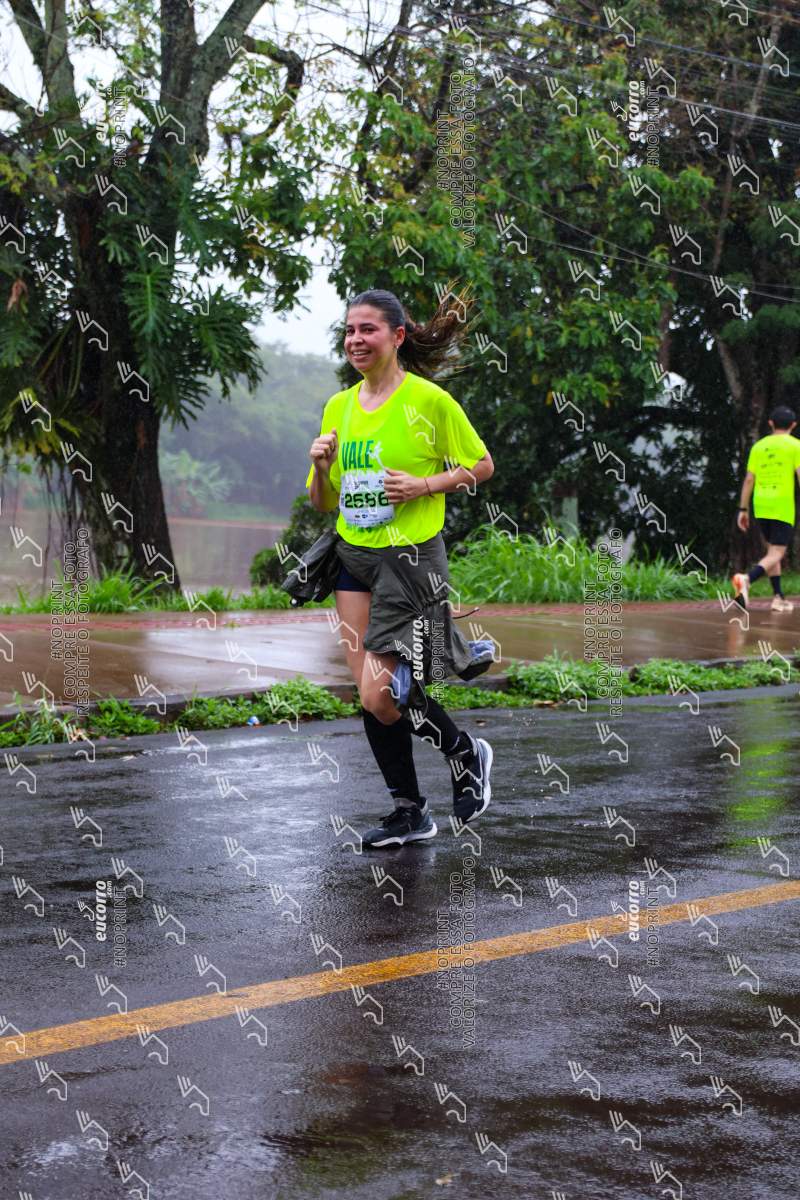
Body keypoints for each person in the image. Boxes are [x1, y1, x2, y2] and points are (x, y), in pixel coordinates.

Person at [305, 286, 495, 849]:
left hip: (408, 560)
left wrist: (426, 484)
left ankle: (465, 753)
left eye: (368, 329)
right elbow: (323, 501)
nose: (355, 340)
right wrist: (321, 469)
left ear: (397, 336)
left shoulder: (429, 401)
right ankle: (410, 812)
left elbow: (481, 465)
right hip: (352, 557)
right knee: (373, 695)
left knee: (378, 694)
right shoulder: (339, 407)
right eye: (349, 330)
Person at [733, 404, 800, 611]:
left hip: (761, 504)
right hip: (781, 505)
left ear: (771, 423)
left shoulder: (759, 447)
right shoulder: (796, 446)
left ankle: (778, 597)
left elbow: (749, 480)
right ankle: (747, 579)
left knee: (772, 550)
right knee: (777, 552)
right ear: (793, 425)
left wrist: (743, 509)